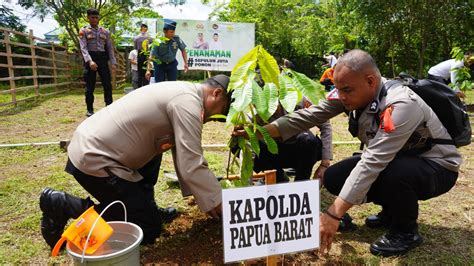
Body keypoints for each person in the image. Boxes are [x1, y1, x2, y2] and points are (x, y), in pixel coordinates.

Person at [233, 49, 461, 257]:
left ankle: (405, 231)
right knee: (334, 178)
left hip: (436, 167)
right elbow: (310, 116)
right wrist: (261, 132)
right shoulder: (352, 93)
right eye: (337, 88)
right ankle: (391, 212)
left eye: (346, 90)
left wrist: (333, 214)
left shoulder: (401, 105)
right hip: (397, 160)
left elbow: (373, 161)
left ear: (370, 81)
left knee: (394, 173)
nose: (340, 96)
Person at [39, 75, 232, 248]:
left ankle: (146, 207)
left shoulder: (183, 90)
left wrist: (204, 196)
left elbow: (183, 154)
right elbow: (192, 161)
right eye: (220, 111)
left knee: (160, 144)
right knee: (147, 228)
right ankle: (63, 204)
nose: (212, 119)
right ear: (215, 93)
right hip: (96, 158)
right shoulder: (188, 103)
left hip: (99, 147)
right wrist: (218, 201)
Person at [253, 98, 332, 183]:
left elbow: (325, 126)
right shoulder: (255, 114)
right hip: (274, 152)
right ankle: (278, 178)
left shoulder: (298, 100)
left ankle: (302, 181)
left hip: (299, 150)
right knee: (244, 143)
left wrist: (324, 164)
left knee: (307, 140)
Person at [79, 8, 116, 117]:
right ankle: (90, 109)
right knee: (90, 86)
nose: (95, 19)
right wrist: (90, 61)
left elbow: (109, 48)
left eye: (96, 17)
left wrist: (113, 62)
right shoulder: (84, 31)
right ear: (88, 18)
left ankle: (109, 107)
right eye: (92, 17)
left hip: (103, 59)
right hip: (90, 58)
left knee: (107, 84)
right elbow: (83, 48)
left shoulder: (105, 31)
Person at [133, 23, 153, 88]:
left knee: (140, 71)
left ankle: (139, 86)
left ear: (140, 28)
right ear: (146, 29)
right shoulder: (149, 37)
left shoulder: (136, 38)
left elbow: (135, 47)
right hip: (146, 53)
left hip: (140, 53)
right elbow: (152, 44)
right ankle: (146, 85)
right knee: (147, 69)